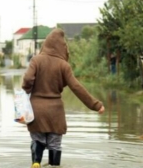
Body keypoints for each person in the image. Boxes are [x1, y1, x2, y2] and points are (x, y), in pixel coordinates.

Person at [22, 28, 105, 168]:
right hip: (55, 113)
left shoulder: (36, 60)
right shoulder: (64, 66)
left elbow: (28, 79)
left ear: (46, 44)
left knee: (38, 139)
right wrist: (96, 105)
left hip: (36, 112)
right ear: (63, 48)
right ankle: (54, 166)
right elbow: (77, 88)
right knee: (55, 144)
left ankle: (36, 162)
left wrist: (27, 88)